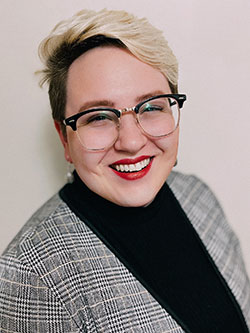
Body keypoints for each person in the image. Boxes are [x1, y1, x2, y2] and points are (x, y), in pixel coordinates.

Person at [0, 8, 249, 333]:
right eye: (99, 117)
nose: (131, 142)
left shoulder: (198, 196)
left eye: (152, 107)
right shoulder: (31, 274)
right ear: (64, 137)